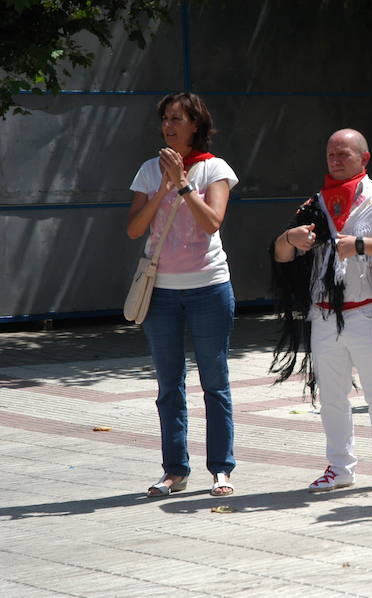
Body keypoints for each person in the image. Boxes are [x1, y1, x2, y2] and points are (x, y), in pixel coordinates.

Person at [271, 128, 372, 495]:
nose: (335, 160)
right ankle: (339, 466)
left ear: (364, 158)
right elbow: (280, 255)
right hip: (323, 313)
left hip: (370, 311)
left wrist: (362, 244)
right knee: (331, 395)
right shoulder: (316, 203)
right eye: (331, 154)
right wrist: (290, 239)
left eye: (344, 154)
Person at [127, 92, 238, 498]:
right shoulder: (147, 170)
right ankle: (174, 470)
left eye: (178, 118)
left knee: (215, 382)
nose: (169, 125)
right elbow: (135, 229)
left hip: (209, 287)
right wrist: (162, 189)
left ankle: (221, 469)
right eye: (165, 119)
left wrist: (184, 186)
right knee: (169, 386)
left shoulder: (215, 169)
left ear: (196, 125)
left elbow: (212, 224)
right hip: (161, 294)